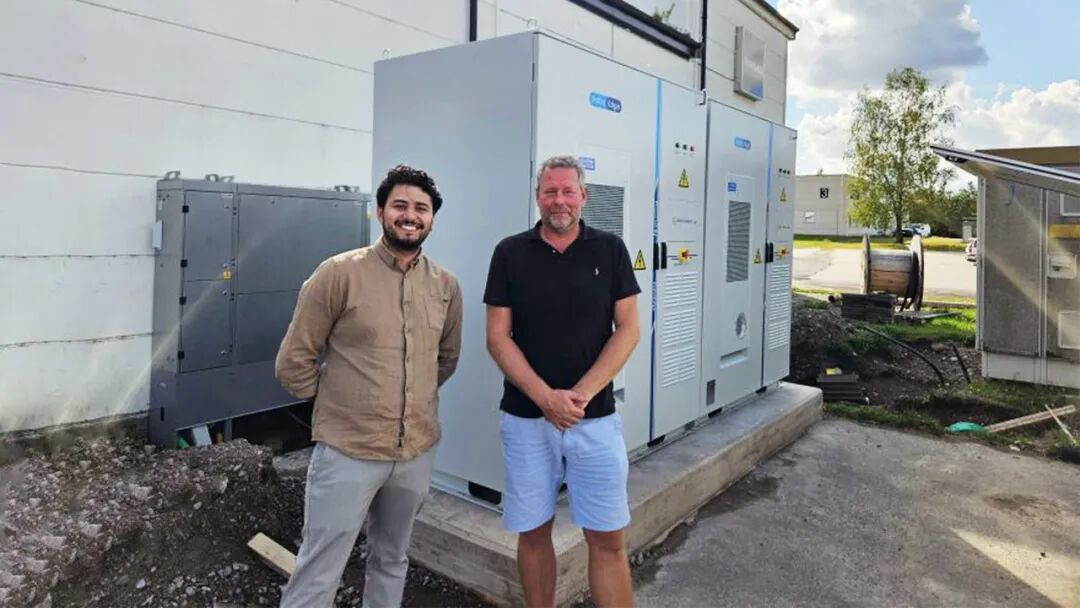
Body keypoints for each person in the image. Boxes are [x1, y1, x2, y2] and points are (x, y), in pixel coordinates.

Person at [275, 164, 463, 608]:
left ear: (433, 219)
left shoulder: (445, 286)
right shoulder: (338, 274)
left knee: (392, 559)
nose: (410, 216)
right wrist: (337, 402)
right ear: (380, 212)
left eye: (421, 208)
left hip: (415, 452)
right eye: (400, 205)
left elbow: (445, 359)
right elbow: (293, 361)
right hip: (348, 452)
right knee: (320, 566)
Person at [484, 155, 640, 607]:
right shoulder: (509, 253)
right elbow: (497, 337)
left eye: (568, 191)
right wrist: (545, 398)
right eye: (550, 191)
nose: (559, 200)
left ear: (583, 196)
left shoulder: (610, 250)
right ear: (538, 196)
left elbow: (629, 329)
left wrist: (581, 395)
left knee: (608, 539)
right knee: (533, 534)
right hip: (527, 421)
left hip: (595, 420)